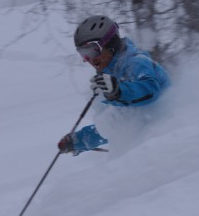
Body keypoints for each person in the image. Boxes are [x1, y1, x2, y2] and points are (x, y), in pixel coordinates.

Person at [58, 14, 170, 155]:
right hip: (145, 147)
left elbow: (150, 90)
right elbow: (113, 125)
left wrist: (117, 91)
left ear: (110, 43)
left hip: (167, 139)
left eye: (92, 50)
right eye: (83, 53)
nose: (89, 59)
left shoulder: (136, 62)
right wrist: (77, 141)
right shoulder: (109, 78)